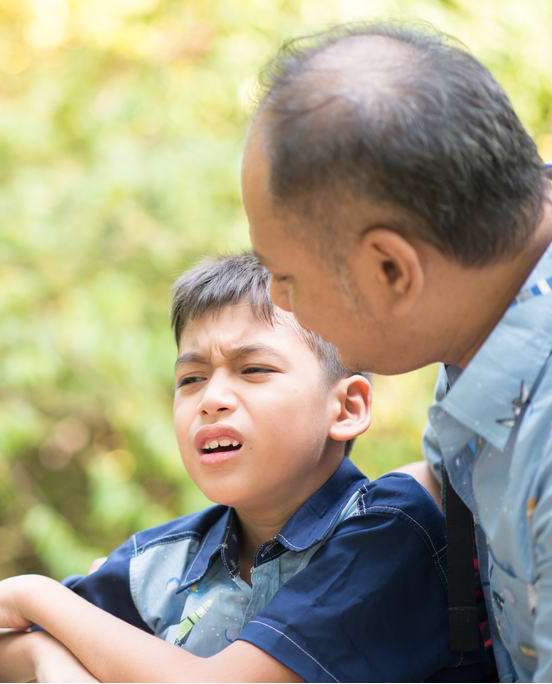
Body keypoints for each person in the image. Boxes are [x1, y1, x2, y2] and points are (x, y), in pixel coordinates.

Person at [0, 253, 488, 682]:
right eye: (191, 378)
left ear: (346, 407)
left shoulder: (388, 531)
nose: (211, 398)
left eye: (254, 369)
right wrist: (43, 656)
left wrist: (37, 596)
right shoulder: (162, 561)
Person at [241, 21, 552, 682]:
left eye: (287, 277)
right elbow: (455, 479)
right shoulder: (492, 302)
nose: (279, 301)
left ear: (391, 270)